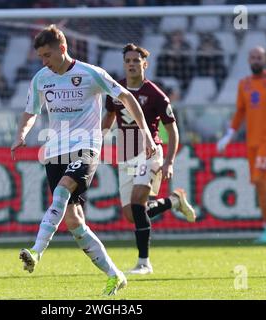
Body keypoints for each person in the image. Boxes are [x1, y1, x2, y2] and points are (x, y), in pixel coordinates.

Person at [10, 25, 157, 296]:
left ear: (62, 49)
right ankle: (116, 275)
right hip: (54, 152)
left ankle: (36, 251)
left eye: (47, 55)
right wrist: (21, 133)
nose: (44, 62)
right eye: (40, 57)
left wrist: (146, 133)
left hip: (86, 147)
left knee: (63, 190)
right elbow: (30, 111)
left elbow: (126, 97)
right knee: (74, 220)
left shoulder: (91, 74)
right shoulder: (41, 78)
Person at [102, 43, 196, 275]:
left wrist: (169, 161)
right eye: (128, 61)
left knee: (137, 202)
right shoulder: (116, 90)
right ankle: (173, 201)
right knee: (131, 214)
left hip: (150, 153)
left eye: (136, 61)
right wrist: (95, 141)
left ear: (145, 64)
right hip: (125, 153)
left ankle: (144, 262)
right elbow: (109, 118)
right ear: (124, 65)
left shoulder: (156, 95)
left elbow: (172, 130)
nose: (132, 64)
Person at [217, 46, 266, 244]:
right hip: (251, 142)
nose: (256, 60)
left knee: (260, 179)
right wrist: (229, 135)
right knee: (259, 183)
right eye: (253, 57)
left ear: (265, 59)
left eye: (259, 57)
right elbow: (240, 112)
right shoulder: (243, 84)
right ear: (248, 60)